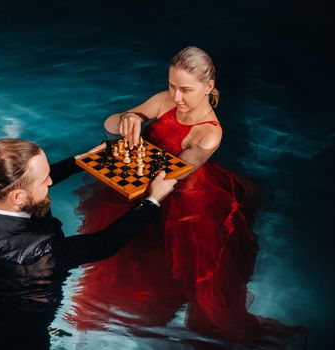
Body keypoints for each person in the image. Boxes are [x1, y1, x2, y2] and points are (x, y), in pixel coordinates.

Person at [67, 47, 307, 348]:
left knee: (196, 278)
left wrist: (137, 153)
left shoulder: (209, 133)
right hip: (145, 181)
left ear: (208, 87)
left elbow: (177, 171)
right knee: (123, 258)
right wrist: (127, 118)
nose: (177, 97)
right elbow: (110, 123)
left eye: (186, 90)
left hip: (185, 196)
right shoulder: (166, 100)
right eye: (172, 86)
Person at [0, 137, 176, 349]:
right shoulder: (38, 252)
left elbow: (27, 185)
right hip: (23, 330)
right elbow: (105, 243)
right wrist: (152, 200)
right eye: (45, 179)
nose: (49, 183)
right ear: (17, 197)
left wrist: (79, 162)